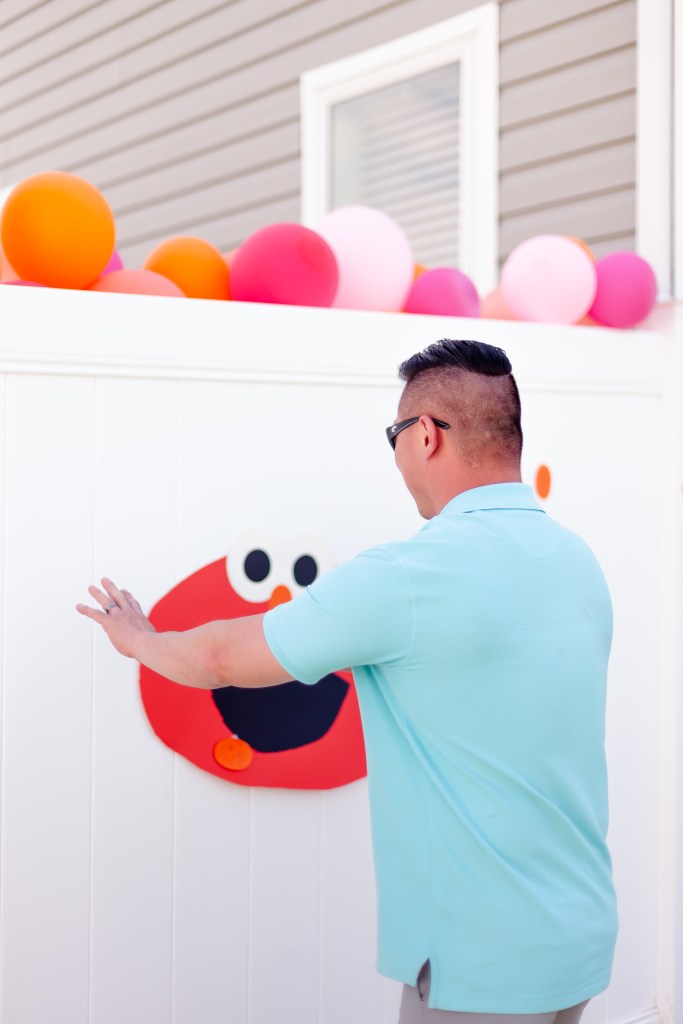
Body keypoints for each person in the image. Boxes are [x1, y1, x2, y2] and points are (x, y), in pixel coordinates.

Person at [77, 338, 618, 1023]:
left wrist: (139, 640)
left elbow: (221, 661)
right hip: (578, 938)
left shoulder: (412, 576)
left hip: (481, 961)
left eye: (395, 436)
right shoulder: (575, 559)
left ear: (425, 435)